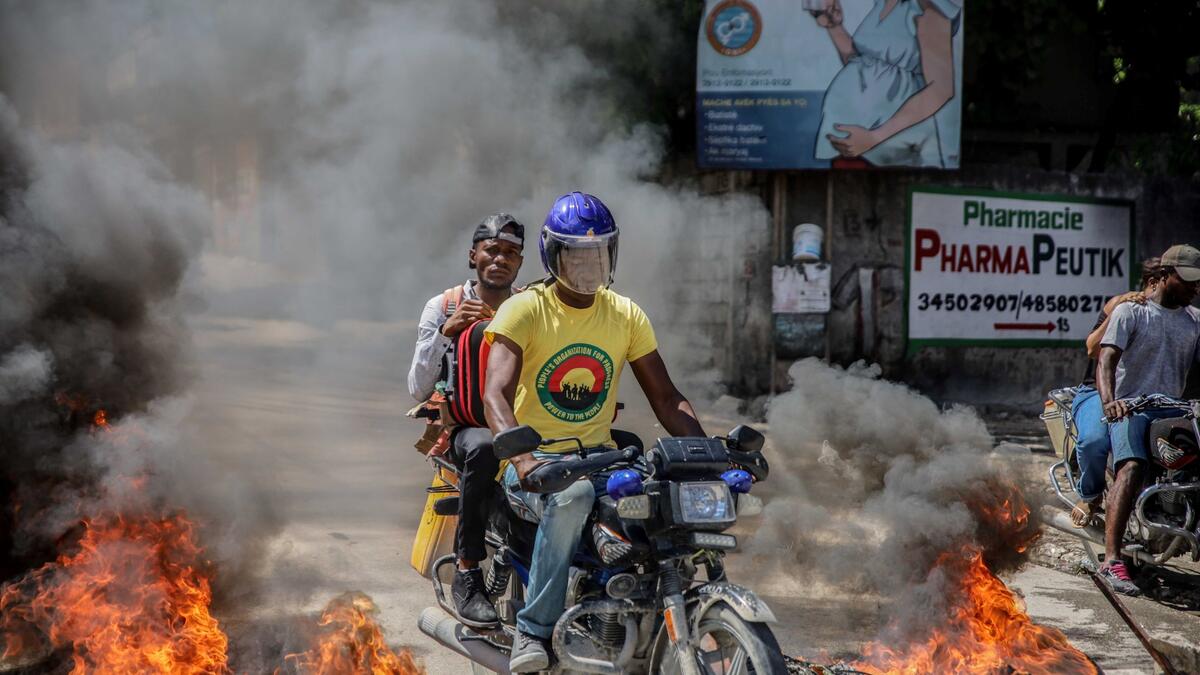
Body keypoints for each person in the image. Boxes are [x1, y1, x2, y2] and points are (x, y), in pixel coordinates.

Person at [482, 192, 705, 672]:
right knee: (574, 495)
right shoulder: (525, 310)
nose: (589, 265)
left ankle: (657, 608)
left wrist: (704, 453)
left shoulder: (626, 314)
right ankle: (533, 629)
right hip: (539, 467)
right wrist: (524, 460)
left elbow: (666, 398)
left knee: (667, 499)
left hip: (605, 459)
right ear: (552, 255)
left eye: (598, 253)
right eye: (576, 255)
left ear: (612, 254)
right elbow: (495, 395)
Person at [407, 213, 525, 626]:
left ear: (521, 263)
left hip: (526, 423)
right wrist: (446, 332)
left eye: (511, 252)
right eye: (492, 249)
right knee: (483, 446)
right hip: (468, 426)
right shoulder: (444, 305)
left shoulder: (531, 305)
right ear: (473, 254)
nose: (500, 259)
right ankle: (468, 571)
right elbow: (417, 388)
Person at [1095, 244, 1200, 595]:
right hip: (1132, 408)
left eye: (1197, 283)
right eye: (1187, 281)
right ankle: (1111, 561)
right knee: (1132, 468)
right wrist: (1111, 403)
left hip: (1175, 410)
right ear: (1165, 276)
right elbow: (1106, 360)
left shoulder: (1194, 321)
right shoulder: (1131, 312)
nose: (1193, 289)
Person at [1068, 258, 1165, 527]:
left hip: (1144, 397)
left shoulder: (1179, 316)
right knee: (1093, 441)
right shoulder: (1122, 305)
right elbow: (1091, 348)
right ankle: (1089, 494)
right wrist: (1120, 309)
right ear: (1154, 283)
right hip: (1098, 392)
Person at [808, 0, 961, 168]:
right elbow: (864, 64)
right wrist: (834, 27)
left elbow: (941, 90)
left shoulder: (929, 11)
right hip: (850, 138)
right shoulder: (883, 3)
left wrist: (874, 137)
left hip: (891, 146)